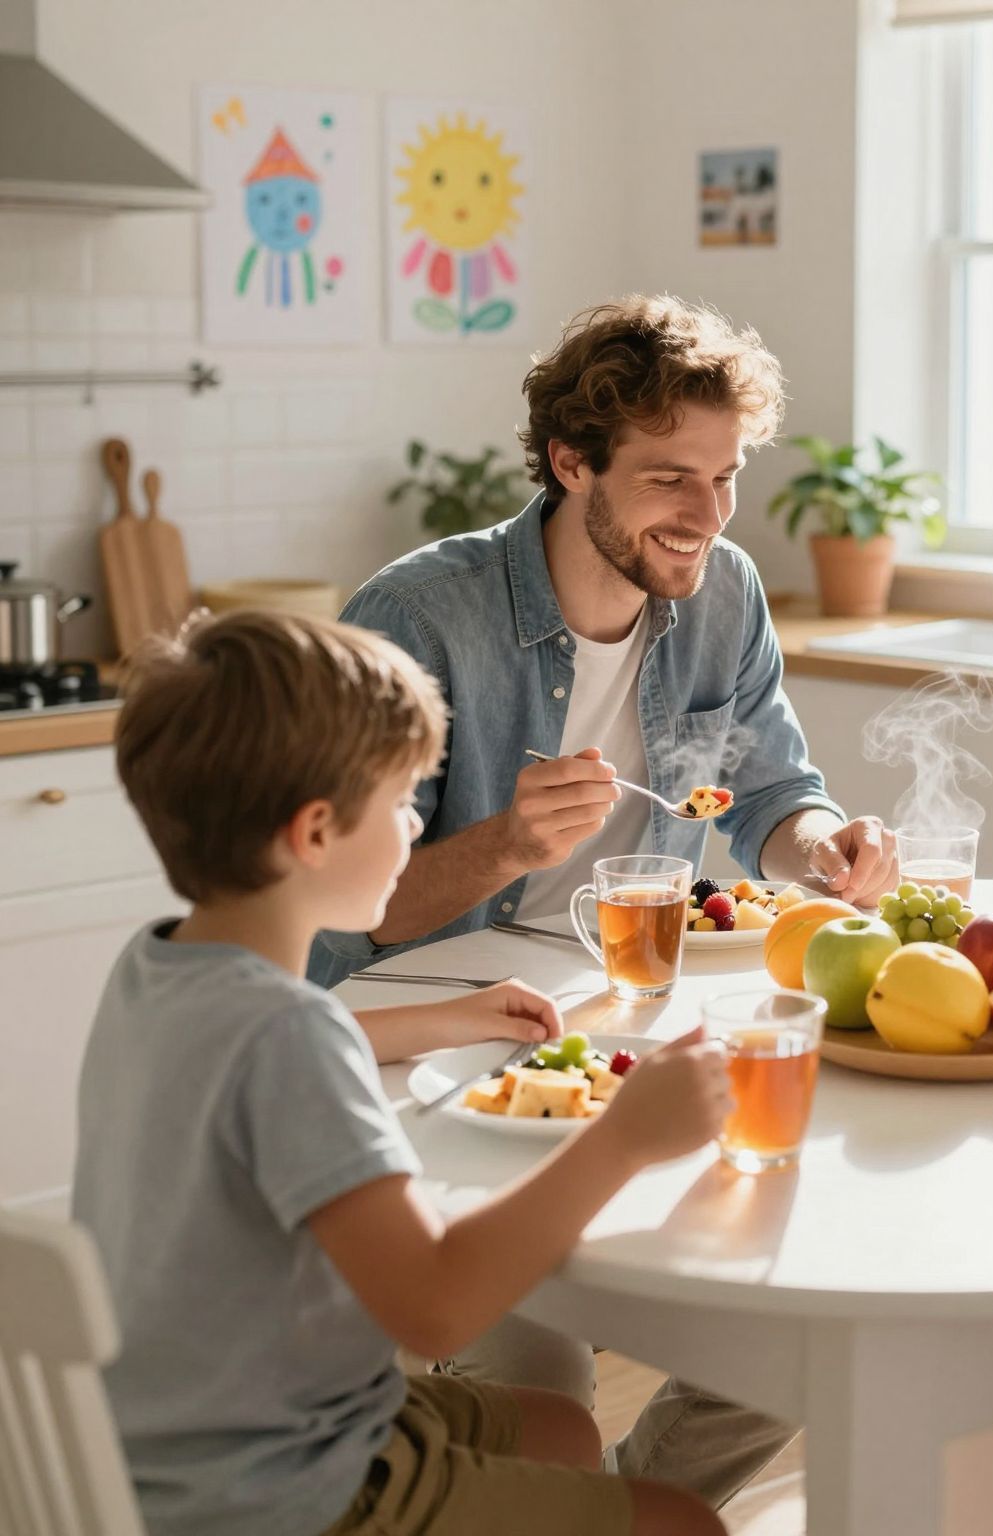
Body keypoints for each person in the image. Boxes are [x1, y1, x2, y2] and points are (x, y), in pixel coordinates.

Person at [74, 610, 731, 1536]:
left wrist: (447, 1018)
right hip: (276, 1488)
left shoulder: (157, 969)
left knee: (562, 1429)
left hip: (179, 1432)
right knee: (685, 1523)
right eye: (398, 803)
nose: (416, 823)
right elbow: (435, 1308)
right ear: (314, 834)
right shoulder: (288, 1039)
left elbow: (260, 1050)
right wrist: (626, 1138)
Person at [313, 294, 895, 991]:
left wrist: (826, 851)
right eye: (670, 479)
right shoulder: (414, 619)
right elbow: (340, 905)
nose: (710, 518)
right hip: (415, 1005)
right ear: (572, 464)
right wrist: (509, 844)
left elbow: (772, 794)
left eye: (724, 478)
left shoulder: (725, 591)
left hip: (623, 988)